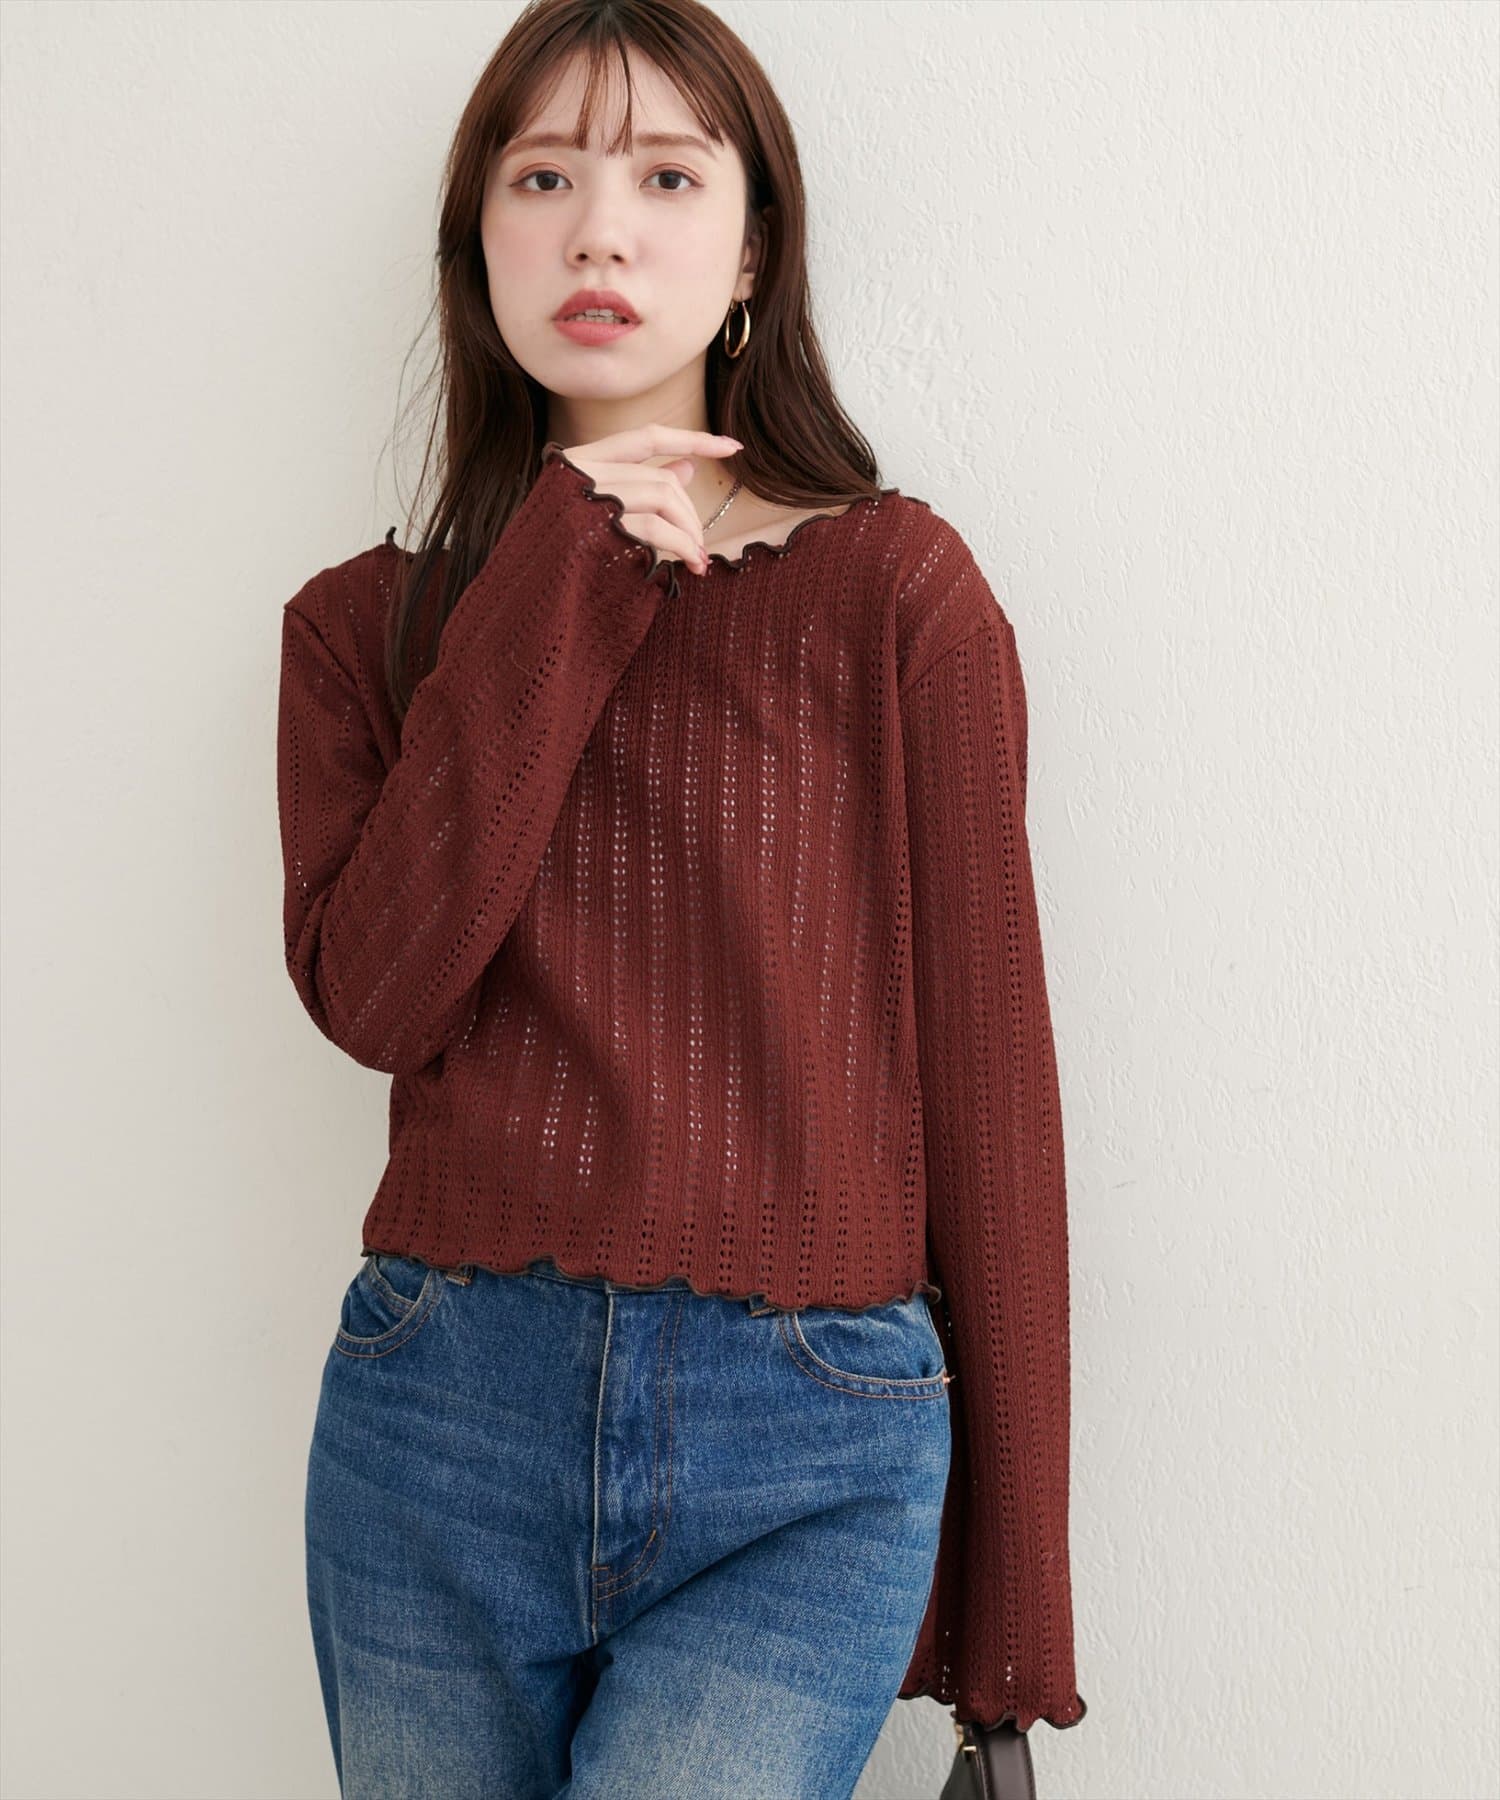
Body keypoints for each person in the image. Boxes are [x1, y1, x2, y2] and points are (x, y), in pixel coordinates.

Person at [274, 2, 1086, 1794]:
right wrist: (557, 567)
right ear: (475, 242)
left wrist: (1010, 1629)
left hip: (812, 1452)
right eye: (541, 179)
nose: (599, 233)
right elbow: (381, 1000)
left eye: (664, 177)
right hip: (438, 1426)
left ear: (753, 252)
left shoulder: (897, 596)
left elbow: (993, 1100)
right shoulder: (360, 629)